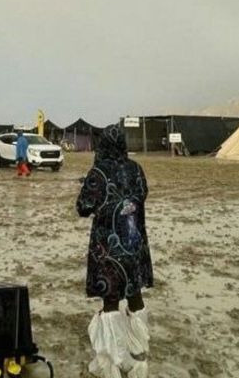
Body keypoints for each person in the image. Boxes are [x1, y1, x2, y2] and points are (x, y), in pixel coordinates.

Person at [76, 124, 153, 378]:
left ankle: (116, 363)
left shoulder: (98, 172)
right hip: (133, 246)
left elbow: (83, 207)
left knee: (111, 300)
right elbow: (142, 195)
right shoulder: (136, 169)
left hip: (108, 249)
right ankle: (139, 353)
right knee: (135, 294)